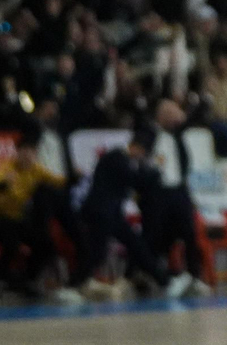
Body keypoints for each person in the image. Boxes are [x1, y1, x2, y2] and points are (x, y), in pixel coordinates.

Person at [76, 127, 192, 299]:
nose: (141, 157)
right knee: (97, 252)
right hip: (101, 213)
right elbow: (135, 179)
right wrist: (155, 171)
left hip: (113, 214)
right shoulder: (116, 158)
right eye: (142, 152)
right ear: (137, 147)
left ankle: (165, 281)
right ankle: (75, 284)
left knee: (136, 246)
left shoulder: (124, 160)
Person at [0, 128, 83, 303]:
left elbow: (58, 182)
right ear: (18, 152)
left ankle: (27, 279)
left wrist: (74, 178)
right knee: (11, 242)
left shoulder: (36, 170)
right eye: (24, 151)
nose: (28, 155)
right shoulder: (7, 168)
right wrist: (3, 185)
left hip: (17, 219)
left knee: (45, 243)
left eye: (32, 152)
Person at [142, 101, 214, 296]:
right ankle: (153, 277)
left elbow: (192, 119)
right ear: (162, 116)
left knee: (190, 233)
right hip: (157, 192)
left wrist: (203, 102)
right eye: (172, 115)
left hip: (178, 190)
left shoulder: (177, 134)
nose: (176, 119)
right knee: (155, 235)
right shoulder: (149, 132)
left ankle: (194, 277)